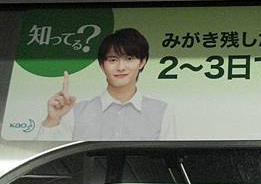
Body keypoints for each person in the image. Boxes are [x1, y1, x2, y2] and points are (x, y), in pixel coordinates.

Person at [37, 28, 175, 140]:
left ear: (142, 62)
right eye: (113, 60)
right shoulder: (76, 112)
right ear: (102, 65)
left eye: (129, 58)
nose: (121, 67)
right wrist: (52, 120)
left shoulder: (161, 111)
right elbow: (47, 160)